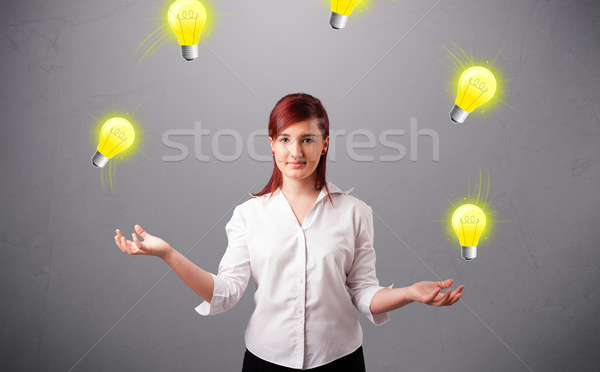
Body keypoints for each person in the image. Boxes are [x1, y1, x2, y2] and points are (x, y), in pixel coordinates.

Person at [114, 93, 464, 371]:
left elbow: (363, 293)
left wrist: (411, 293)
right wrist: (168, 254)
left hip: (341, 362)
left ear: (325, 144)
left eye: (308, 139)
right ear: (271, 144)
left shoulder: (356, 213)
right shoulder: (248, 216)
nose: (295, 152)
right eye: (285, 139)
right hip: (265, 363)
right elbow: (224, 293)